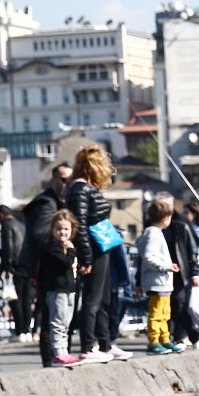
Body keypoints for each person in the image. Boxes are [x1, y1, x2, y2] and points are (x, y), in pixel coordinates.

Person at [66, 145, 120, 364]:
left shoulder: (83, 188)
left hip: (100, 248)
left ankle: (105, 344)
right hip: (94, 249)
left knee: (103, 298)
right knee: (93, 299)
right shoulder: (81, 189)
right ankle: (88, 346)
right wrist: (86, 257)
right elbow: (79, 224)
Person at [23, 163, 72, 366]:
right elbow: (40, 237)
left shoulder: (59, 203)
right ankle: (50, 359)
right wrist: (64, 249)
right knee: (48, 316)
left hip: (57, 270)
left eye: (70, 179)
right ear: (53, 181)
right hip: (47, 272)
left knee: (61, 316)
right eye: (63, 179)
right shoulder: (45, 203)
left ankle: (60, 355)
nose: (67, 183)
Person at [152, 193, 199, 351]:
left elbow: (192, 249)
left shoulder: (181, 223)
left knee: (179, 305)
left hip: (180, 272)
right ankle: (169, 338)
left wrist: (194, 272)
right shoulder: (152, 225)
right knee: (164, 308)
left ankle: (190, 335)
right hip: (160, 273)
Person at [137, 199, 182, 354]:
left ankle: (164, 339)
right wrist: (166, 266)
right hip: (157, 281)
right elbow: (149, 257)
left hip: (162, 282)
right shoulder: (153, 234)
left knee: (164, 313)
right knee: (157, 313)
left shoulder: (154, 233)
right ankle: (153, 342)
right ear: (165, 218)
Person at [39, 210, 82, 368]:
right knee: (57, 322)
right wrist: (71, 250)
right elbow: (65, 264)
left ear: (72, 230)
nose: (62, 232)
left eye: (66, 229)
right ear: (52, 230)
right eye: (58, 229)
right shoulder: (53, 247)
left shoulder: (63, 247)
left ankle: (64, 351)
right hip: (57, 290)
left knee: (66, 323)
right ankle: (58, 353)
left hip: (69, 290)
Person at [0, 205, 30, 342]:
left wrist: (7, 268)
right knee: (26, 300)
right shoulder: (21, 224)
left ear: (1, 215)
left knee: (15, 299)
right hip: (26, 266)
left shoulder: (6, 225)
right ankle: (27, 331)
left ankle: (20, 331)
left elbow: (8, 247)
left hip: (15, 267)